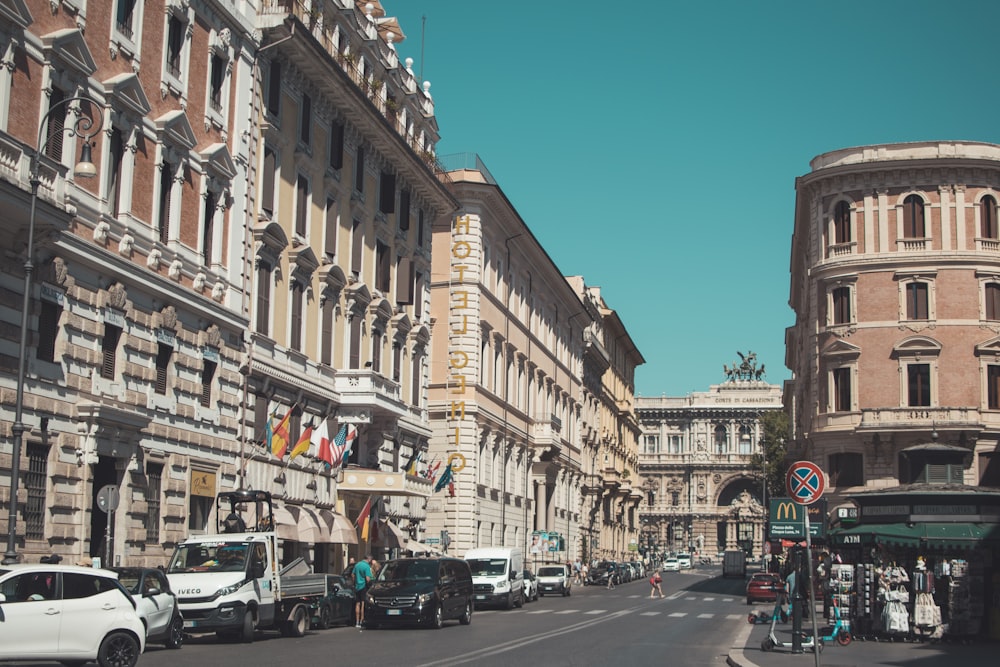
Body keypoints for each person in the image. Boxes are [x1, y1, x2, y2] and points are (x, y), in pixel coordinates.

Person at [353, 555, 373, 628]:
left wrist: (355, 582)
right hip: (363, 586)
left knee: (357, 604)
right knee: (363, 603)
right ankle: (362, 620)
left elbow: (353, 574)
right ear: (369, 559)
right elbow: (368, 578)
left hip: (357, 586)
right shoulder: (366, 566)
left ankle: (357, 622)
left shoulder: (357, 565)